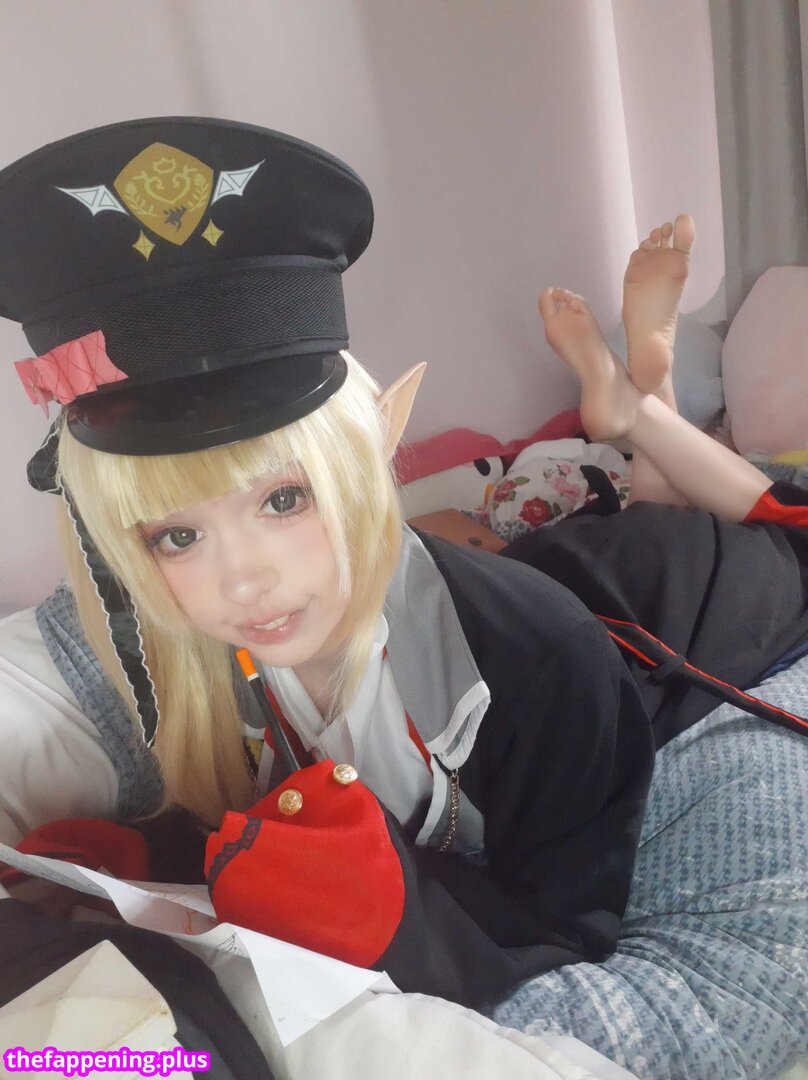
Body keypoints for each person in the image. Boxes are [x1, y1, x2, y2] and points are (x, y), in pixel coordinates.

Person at [0, 119, 805, 1015]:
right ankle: (636, 407)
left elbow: (570, 925)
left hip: (700, 586)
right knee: (636, 504)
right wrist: (152, 858)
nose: (244, 582)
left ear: (369, 456)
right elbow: (267, 817)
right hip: (555, 565)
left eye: (283, 499)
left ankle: (642, 403)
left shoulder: (547, 660)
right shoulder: (214, 651)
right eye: (176, 537)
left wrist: (398, 925)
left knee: (765, 514)